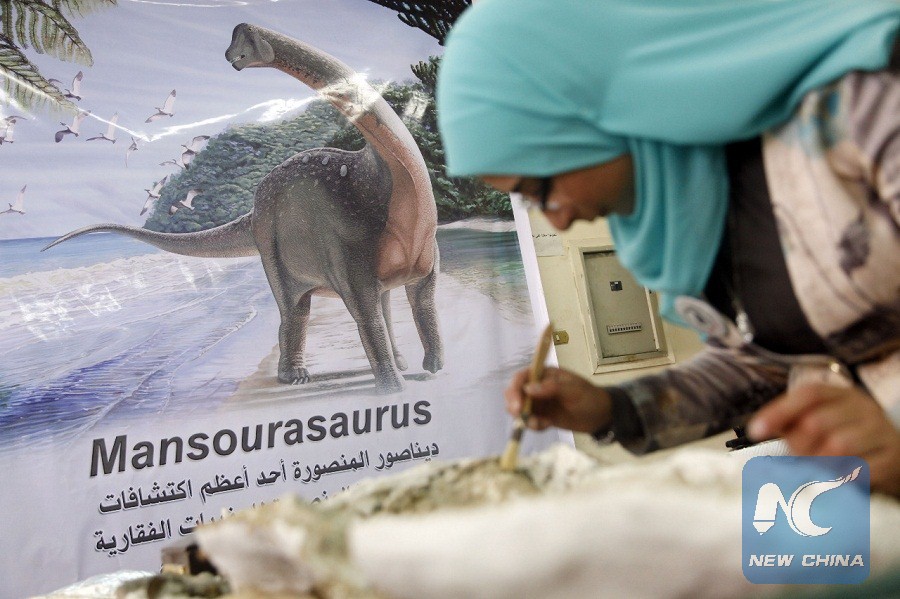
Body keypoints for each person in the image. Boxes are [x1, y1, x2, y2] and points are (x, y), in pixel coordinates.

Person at [435, 0, 900, 496]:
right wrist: (612, 410)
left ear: (587, 110)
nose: (558, 219)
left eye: (539, 189)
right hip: (844, 488)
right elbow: (768, 360)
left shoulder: (862, 105)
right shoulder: (689, 210)